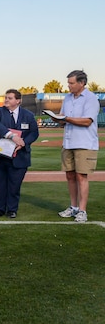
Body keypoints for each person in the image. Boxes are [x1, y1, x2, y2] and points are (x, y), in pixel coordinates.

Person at [53, 71, 100, 222]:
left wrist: (66, 119)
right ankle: (73, 207)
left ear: (82, 83)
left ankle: (82, 210)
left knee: (81, 176)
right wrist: (58, 119)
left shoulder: (91, 98)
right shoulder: (67, 98)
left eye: (71, 83)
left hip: (85, 143)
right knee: (70, 175)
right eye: (68, 83)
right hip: (68, 142)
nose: (69, 86)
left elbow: (87, 121)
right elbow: (63, 118)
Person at [0, 89, 39, 218]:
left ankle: (12, 209)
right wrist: (12, 136)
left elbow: (34, 133)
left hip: (18, 156)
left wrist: (23, 142)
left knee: (14, 186)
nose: (6, 100)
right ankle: (0, 209)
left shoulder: (28, 115)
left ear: (18, 101)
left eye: (9, 98)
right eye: (6, 97)